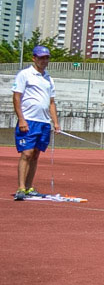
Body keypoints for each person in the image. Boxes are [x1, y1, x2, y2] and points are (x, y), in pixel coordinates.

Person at [12, 46, 60, 200]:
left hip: (44, 121)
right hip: (29, 120)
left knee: (36, 154)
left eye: (46, 58)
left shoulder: (48, 78)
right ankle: (20, 187)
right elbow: (16, 97)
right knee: (26, 153)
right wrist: (21, 118)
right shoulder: (25, 75)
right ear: (34, 58)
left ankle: (28, 187)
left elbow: (51, 102)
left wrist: (56, 122)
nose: (44, 61)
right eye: (41, 58)